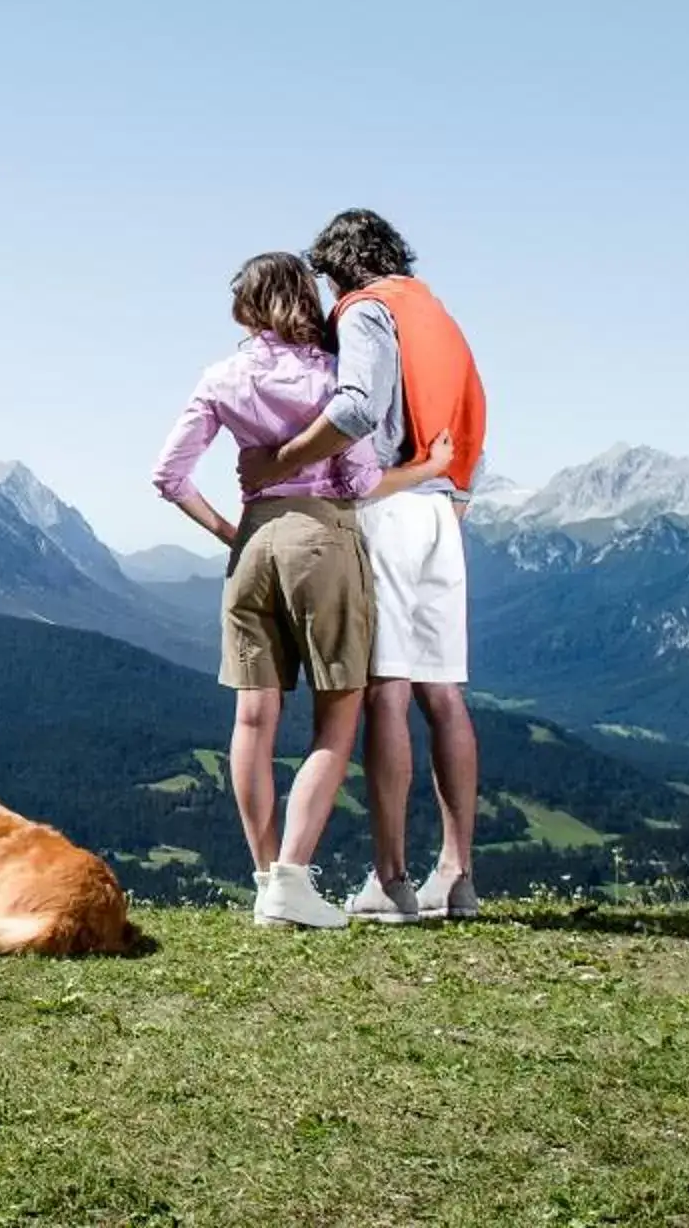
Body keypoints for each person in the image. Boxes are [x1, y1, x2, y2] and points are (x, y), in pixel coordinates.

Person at [148, 252, 452, 929]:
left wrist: (234, 532)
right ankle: (291, 879)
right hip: (323, 540)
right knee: (337, 717)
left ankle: (264, 882)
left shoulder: (220, 376)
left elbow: (168, 476)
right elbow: (363, 481)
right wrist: (428, 467)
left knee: (251, 720)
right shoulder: (331, 376)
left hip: (255, 544)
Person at [245, 209, 490, 923]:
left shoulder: (365, 311)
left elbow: (356, 408)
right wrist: (458, 491)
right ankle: (459, 876)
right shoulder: (437, 315)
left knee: (385, 690)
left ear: (340, 265)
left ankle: (392, 879)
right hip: (443, 510)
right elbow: (475, 411)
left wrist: (283, 461)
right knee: (443, 693)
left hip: (388, 506)